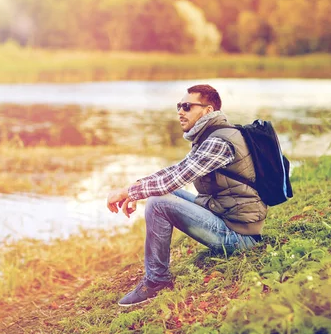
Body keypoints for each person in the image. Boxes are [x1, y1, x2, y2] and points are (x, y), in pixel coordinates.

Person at [106, 84, 266, 307]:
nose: (180, 111)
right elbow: (176, 170)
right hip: (226, 217)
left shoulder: (218, 142)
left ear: (208, 111)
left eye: (187, 106)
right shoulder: (210, 136)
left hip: (240, 237)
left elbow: (177, 177)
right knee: (162, 194)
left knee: (159, 202)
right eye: (179, 106)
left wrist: (128, 192)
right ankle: (156, 278)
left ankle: (156, 281)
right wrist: (138, 186)